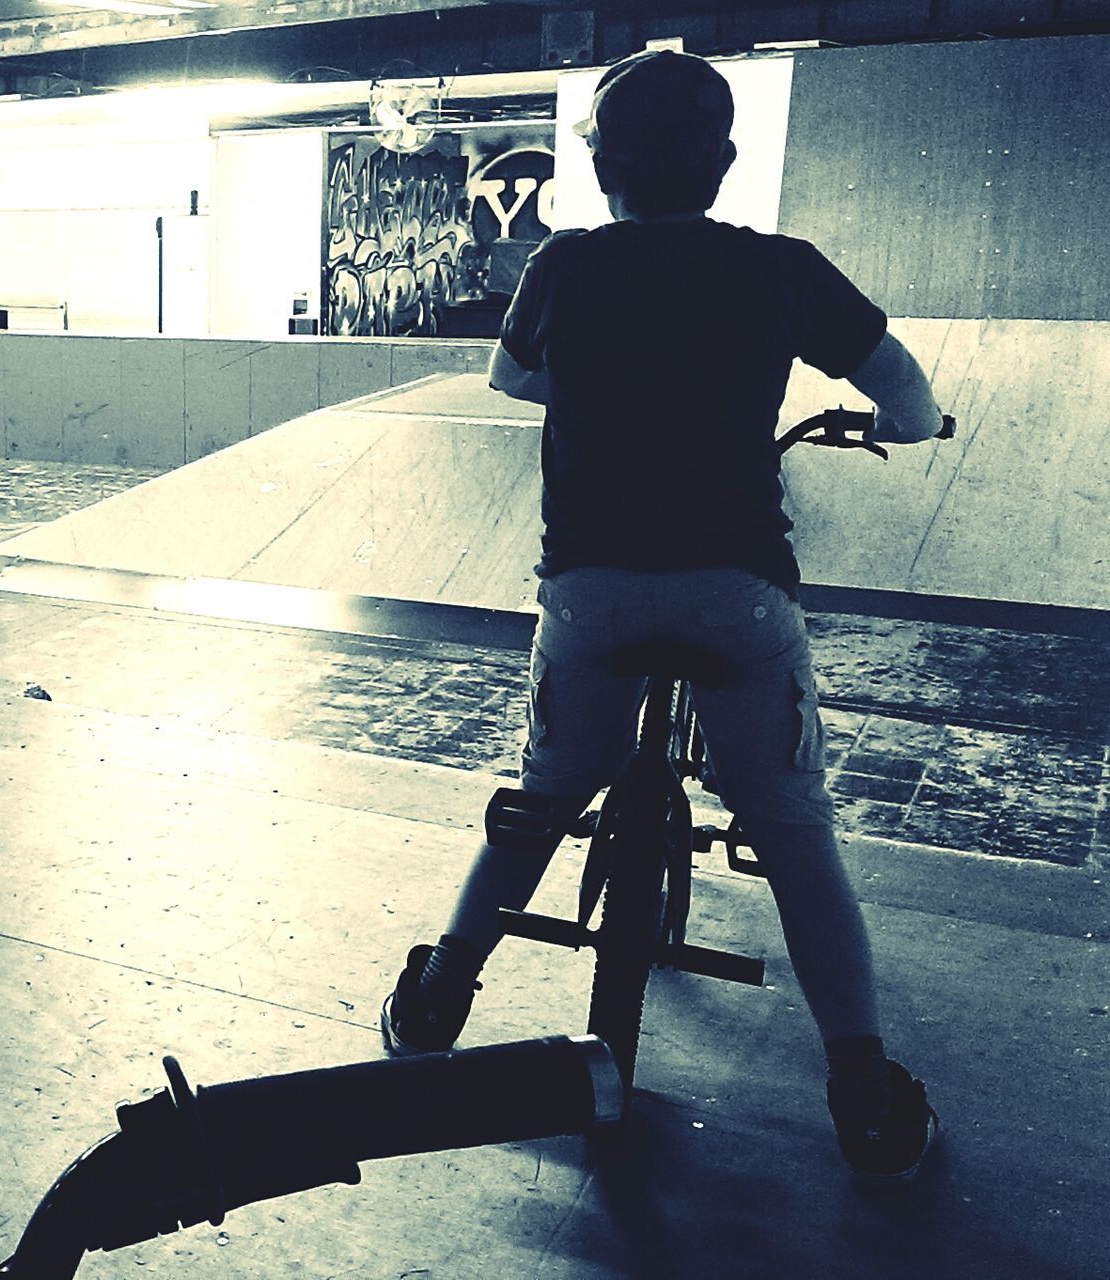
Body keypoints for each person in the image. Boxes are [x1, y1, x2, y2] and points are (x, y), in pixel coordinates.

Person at [381, 49, 942, 1189]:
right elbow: (907, 393)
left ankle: (441, 989)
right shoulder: (782, 270)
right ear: (723, 161)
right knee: (792, 829)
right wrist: (906, 423)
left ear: (598, 167)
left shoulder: (561, 266)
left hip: (590, 597)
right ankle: (864, 1092)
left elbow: (513, 380)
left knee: (537, 801)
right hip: (735, 597)